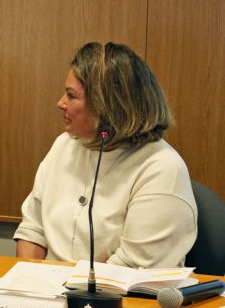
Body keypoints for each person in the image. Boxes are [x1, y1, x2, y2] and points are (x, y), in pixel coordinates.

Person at [15, 42, 196, 268]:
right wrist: (29, 278)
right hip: (49, 286)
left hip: (119, 289)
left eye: (71, 96)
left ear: (107, 106)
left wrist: (60, 287)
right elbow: (32, 231)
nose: (60, 103)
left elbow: (131, 268)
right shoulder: (64, 145)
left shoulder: (162, 168)